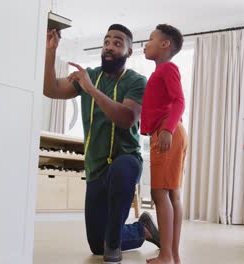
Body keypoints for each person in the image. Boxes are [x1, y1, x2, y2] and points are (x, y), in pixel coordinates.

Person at [43, 24, 160, 264]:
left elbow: (126, 119)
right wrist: (50, 51)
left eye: (117, 43)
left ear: (128, 52)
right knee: (97, 244)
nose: (109, 47)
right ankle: (142, 229)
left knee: (122, 168)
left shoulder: (137, 81)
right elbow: (50, 89)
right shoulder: (90, 76)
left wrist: (90, 89)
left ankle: (114, 244)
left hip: (126, 161)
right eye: (107, 42)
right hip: (96, 168)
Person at [140, 24, 187, 264]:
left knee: (160, 193)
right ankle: (173, 255)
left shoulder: (167, 69)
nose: (145, 44)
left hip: (167, 132)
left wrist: (167, 130)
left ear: (165, 44)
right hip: (172, 131)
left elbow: (180, 101)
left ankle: (166, 255)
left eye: (150, 39)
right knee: (172, 195)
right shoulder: (160, 72)